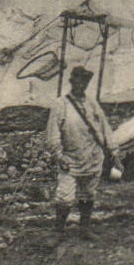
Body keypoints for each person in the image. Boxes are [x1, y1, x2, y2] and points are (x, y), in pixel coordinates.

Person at [45, 66, 116, 240]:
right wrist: (58, 154)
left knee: (88, 194)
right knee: (64, 196)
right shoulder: (60, 104)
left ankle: (84, 229)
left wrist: (112, 149)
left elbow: (104, 128)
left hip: (92, 156)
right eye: (78, 80)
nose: (81, 84)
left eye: (85, 81)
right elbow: (53, 132)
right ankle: (58, 231)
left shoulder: (92, 104)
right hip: (70, 158)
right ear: (72, 81)